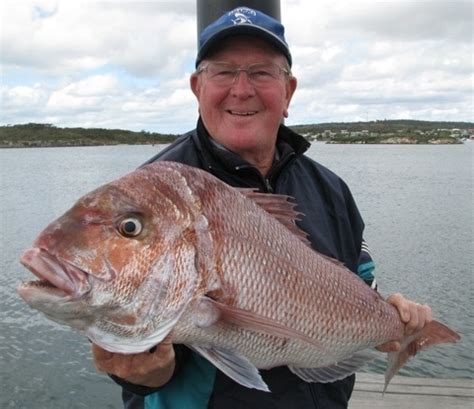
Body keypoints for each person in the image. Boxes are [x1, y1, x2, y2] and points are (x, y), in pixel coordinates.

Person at [92, 7, 432, 409]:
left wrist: (391, 315)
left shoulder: (329, 188)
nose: (241, 88)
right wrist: (145, 374)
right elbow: (146, 366)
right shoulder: (157, 198)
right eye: (223, 71)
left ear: (288, 91)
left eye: (261, 72)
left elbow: (358, 275)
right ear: (197, 87)